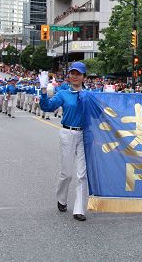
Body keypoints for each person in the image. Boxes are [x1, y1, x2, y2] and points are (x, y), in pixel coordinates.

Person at [39, 62, 88, 221]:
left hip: (85, 136)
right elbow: (47, 107)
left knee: (82, 174)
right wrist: (44, 91)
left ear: (83, 77)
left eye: (78, 73)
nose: (75, 76)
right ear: (69, 75)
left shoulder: (90, 95)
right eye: (72, 73)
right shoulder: (63, 93)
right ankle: (61, 199)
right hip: (67, 133)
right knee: (67, 173)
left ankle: (79, 209)